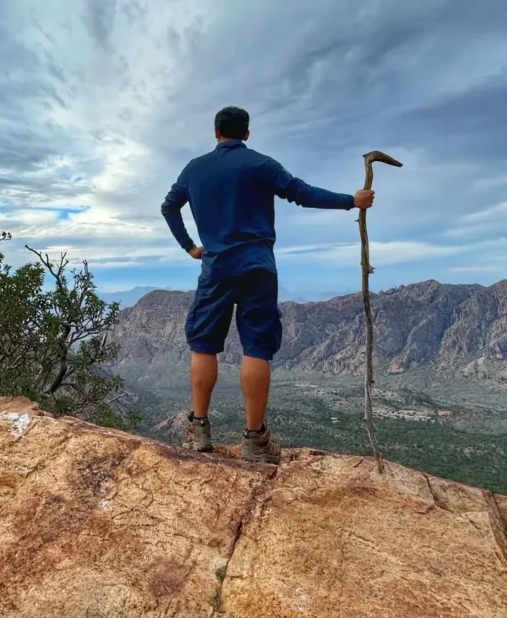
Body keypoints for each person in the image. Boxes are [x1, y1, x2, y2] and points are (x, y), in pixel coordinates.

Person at [160, 106, 375, 463]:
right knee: (256, 347)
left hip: (216, 266)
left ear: (216, 133)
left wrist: (190, 247)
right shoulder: (262, 164)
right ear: (247, 133)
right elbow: (302, 193)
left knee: (203, 344)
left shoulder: (194, 169)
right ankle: (255, 441)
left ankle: (198, 430)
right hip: (258, 266)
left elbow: (169, 207)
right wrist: (350, 201)